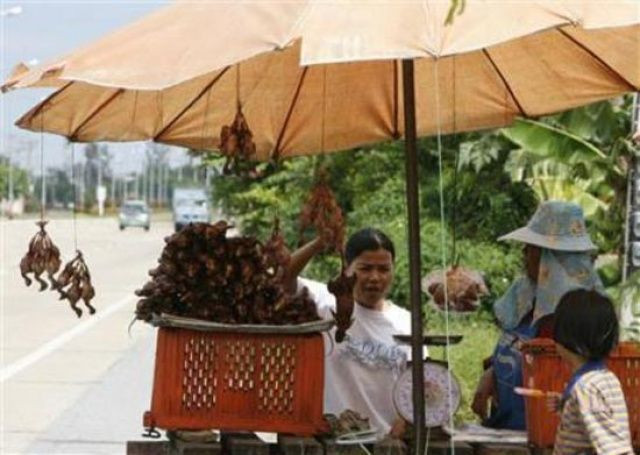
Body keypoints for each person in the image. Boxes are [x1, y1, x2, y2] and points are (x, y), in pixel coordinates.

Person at [472, 201, 603, 430]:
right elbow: (514, 345)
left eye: (531, 247)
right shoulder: (525, 293)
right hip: (507, 433)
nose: (524, 253)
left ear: (552, 256)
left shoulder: (580, 315)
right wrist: (492, 371)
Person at [286, 228, 415, 437]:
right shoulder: (323, 302)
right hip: (329, 441)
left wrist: (403, 423)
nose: (375, 277)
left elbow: (417, 384)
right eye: (365, 268)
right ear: (347, 268)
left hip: (385, 443)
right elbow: (283, 277)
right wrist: (319, 243)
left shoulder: (406, 323)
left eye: (384, 269)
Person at [549, 289, 633, 455]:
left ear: (565, 335)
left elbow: (613, 447)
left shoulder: (586, 388)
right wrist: (566, 404)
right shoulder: (606, 378)